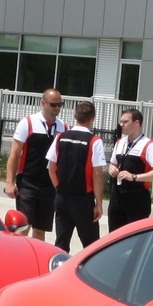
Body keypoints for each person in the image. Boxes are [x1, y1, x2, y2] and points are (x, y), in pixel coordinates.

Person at [4, 89, 65, 240]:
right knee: (23, 227)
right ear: (43, 103)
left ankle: (37, 261)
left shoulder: (63, 127)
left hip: (49, 186)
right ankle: (18, 259)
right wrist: (10, 182)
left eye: (60, 105)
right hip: (28, 183)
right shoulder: (28, 123)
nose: (57, 108)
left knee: (40, 230)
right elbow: (14, 154)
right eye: (53, 105)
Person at [46, 100, 107, 252]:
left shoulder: (61, 137)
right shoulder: (94, 141)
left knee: (61, 241)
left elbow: (51, 168)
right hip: (83, 199)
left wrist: (58, 188)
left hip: (62, 196)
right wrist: (99, 203)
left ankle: (58, 270)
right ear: (93, 117)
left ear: (75, 116)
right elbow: (97, 174)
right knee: (91, 244)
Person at [106, 107, 153, 231]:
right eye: (120, 121)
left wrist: (134, 177)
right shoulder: (120, 142)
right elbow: (113, 163)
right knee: (114, 236)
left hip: (137, 198)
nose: (121, 125)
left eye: (125, 122)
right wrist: (111, 168)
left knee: (134, 236)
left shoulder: (149, 145)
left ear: (136, 123)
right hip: (117, 196)